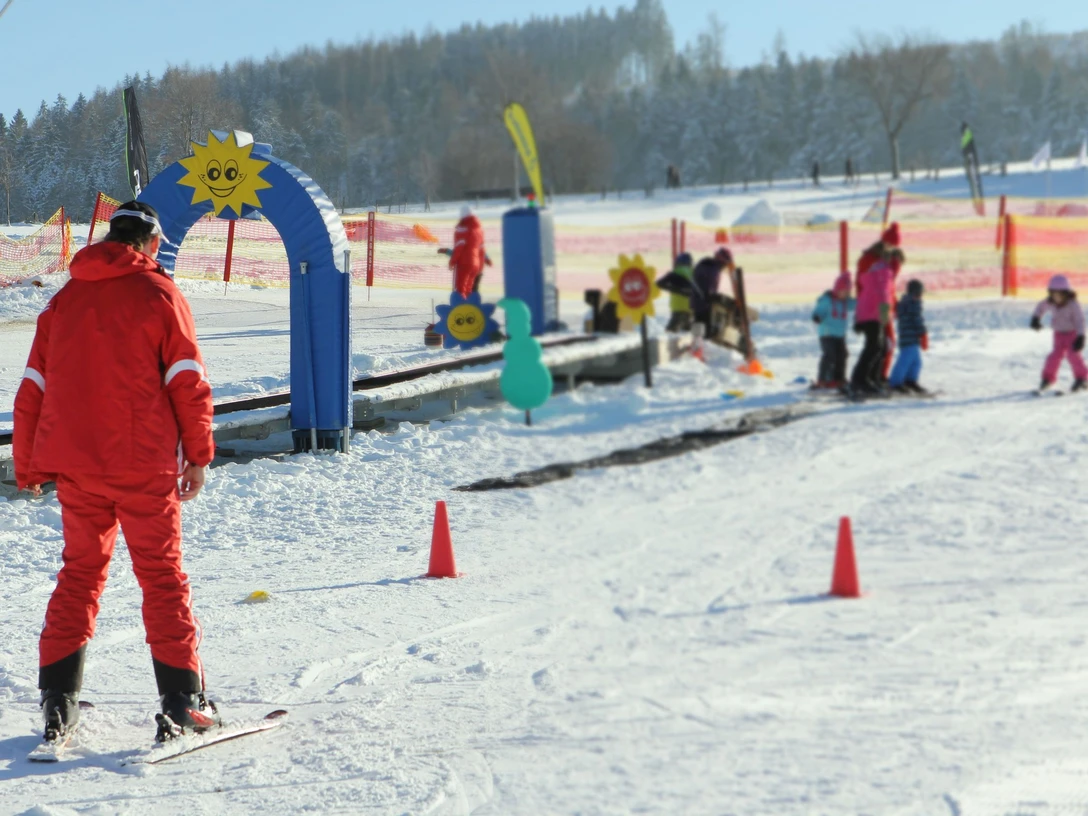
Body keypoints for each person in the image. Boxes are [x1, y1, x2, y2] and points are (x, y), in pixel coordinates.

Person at [13, 201, 218, 744]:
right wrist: (197, 455)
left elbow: (33, 383)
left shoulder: (64, 301)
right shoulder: (159, 294)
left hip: (78, 466)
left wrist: (30, 461)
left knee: (80, 574)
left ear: (110, 238)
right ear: (151, 243)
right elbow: (187, 381)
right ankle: (182, 700)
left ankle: (58, 701)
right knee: (161, 577)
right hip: (143, 463)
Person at [850, 249, 896, 395]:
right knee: (875, 347)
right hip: (873, 315)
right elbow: (883, 295)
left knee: (878, 347)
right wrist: (885, 316)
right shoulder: (884, 272)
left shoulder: (875, 270)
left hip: (869, 313)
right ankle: (860, 379)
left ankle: (869, 378)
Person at [1031, 274, 1087, 392]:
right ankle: (1048, 379)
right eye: (1054, 294)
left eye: (1059, 295)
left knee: (1073, 356)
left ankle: (1082, 378)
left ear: (1066, 293)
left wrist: (1081, 336)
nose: (1056, 298)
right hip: (1058, 335)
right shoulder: (1050, 302)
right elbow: (1040, 307)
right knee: (1054, 357)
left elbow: (1079, 320)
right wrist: (1036, 318)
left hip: (1072, 334)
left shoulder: (1073, 304)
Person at [811, 272, 854, 389]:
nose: (846, 295)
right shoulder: (827, 300)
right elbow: (819, 310)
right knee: (830, 355)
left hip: (840, 335)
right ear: (838, 289)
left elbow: (856, 304)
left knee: (843, 355)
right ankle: (823, 379)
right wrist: (817, 316)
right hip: (827, 334)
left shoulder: (845, 302)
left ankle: (839, 378)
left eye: (848, 292)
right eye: (844, 292)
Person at [888, 279, 929, 393]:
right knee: (904, 361)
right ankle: (895, 382)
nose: (920, 296)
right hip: (909, 339)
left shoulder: (906, 304)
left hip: (911, 339)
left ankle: (910, 380)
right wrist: (923, 333)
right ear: (915, 293)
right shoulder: (912, 305)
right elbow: (918, 321)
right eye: (919, 294)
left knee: (916, 362)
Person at [447, 205, 491, 297]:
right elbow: (482, 250)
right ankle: (469, 307)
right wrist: (480, 267)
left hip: (464, 263)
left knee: (460, 288)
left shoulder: (463, 229)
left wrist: (452, 261)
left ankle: (460, 307)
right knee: (469, 289)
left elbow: (459, 248)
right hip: (476, 264)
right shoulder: (478, 230)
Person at [690, 247, 734, 331]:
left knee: (699, 326)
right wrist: (716, 297)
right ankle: (700, 341)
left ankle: (698, 341)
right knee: (705, 330)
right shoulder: (713, 270)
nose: (725, 267)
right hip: (703, 302)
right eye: (726, 264)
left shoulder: (706, 264)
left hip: (697, 300)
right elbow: (708, 290)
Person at [665, 252, 695, 332]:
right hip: (690, 309)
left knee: (670, 333)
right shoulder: (693, 273)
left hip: (677, 308)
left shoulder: (675, 273)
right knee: (687, 332)